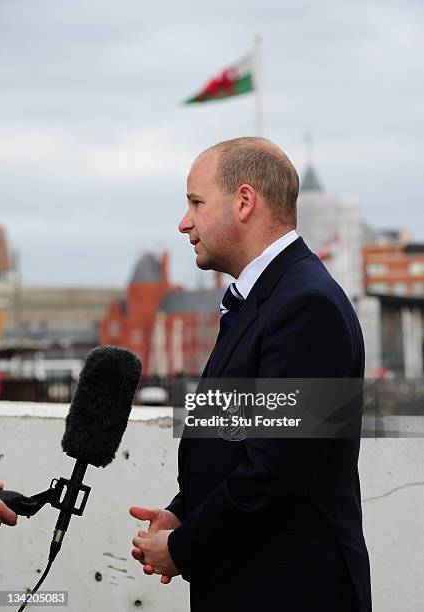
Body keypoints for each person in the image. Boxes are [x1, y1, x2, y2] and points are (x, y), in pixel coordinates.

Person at [130, 137, 372, 611]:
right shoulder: (264, 299)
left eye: (196, 203)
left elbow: (276, 471)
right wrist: (184, 513)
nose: (184, 223)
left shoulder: (306, 306)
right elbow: (235, 442)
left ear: (244, 202)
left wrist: (183, 549)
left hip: (291, 594)